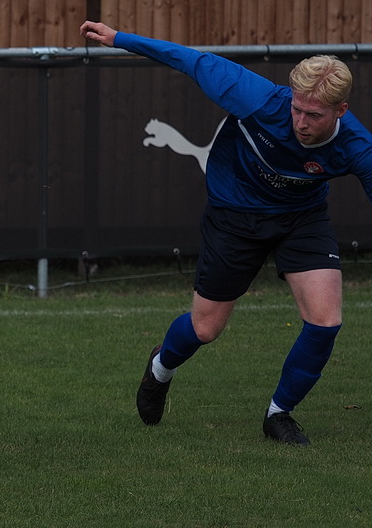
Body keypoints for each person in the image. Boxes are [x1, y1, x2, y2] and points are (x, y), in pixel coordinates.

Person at [80, 21, 372, 446]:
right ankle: (160, 369)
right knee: (205, 329)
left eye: (315, 115)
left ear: (340, 111)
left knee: (326, 321)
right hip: (234, 216)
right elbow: (189, 59)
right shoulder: (255, 97)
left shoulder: (357, 146)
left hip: (300, 218)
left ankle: (278, 415)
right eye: (298, 109)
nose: (301, 122)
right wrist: (119, 39)